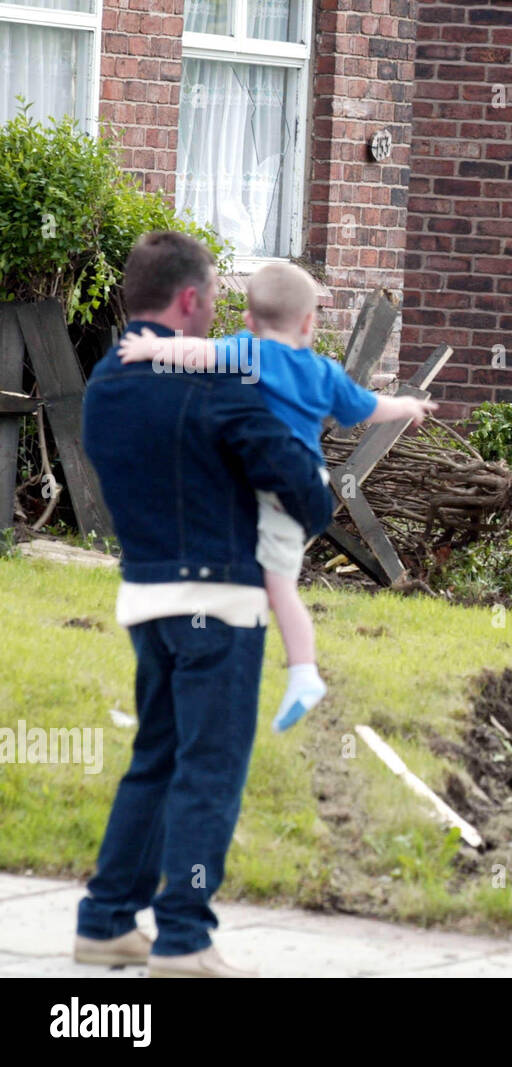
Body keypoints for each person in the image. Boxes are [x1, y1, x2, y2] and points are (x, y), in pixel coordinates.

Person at [74, 231, 337, 978]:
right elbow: (297, 485)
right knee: (208, 768)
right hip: (219, 600)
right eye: (216, 294)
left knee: (155, 759)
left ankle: (106, 921)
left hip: (146, 596)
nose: (221, 307)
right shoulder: (220, 382)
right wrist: (315, 479)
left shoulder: (104, 381)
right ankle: (185, 935)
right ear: (190, 300)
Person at [117, 262, 436, 732]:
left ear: (248, 321)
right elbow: (370, 408)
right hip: (299, 492)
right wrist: (408, 405)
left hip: (244, 492)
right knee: (281, 590)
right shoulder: (322, 372)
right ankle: (304, 674)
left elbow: (194, 353)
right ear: (309, 324)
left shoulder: (246, 352)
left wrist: (150, 347)